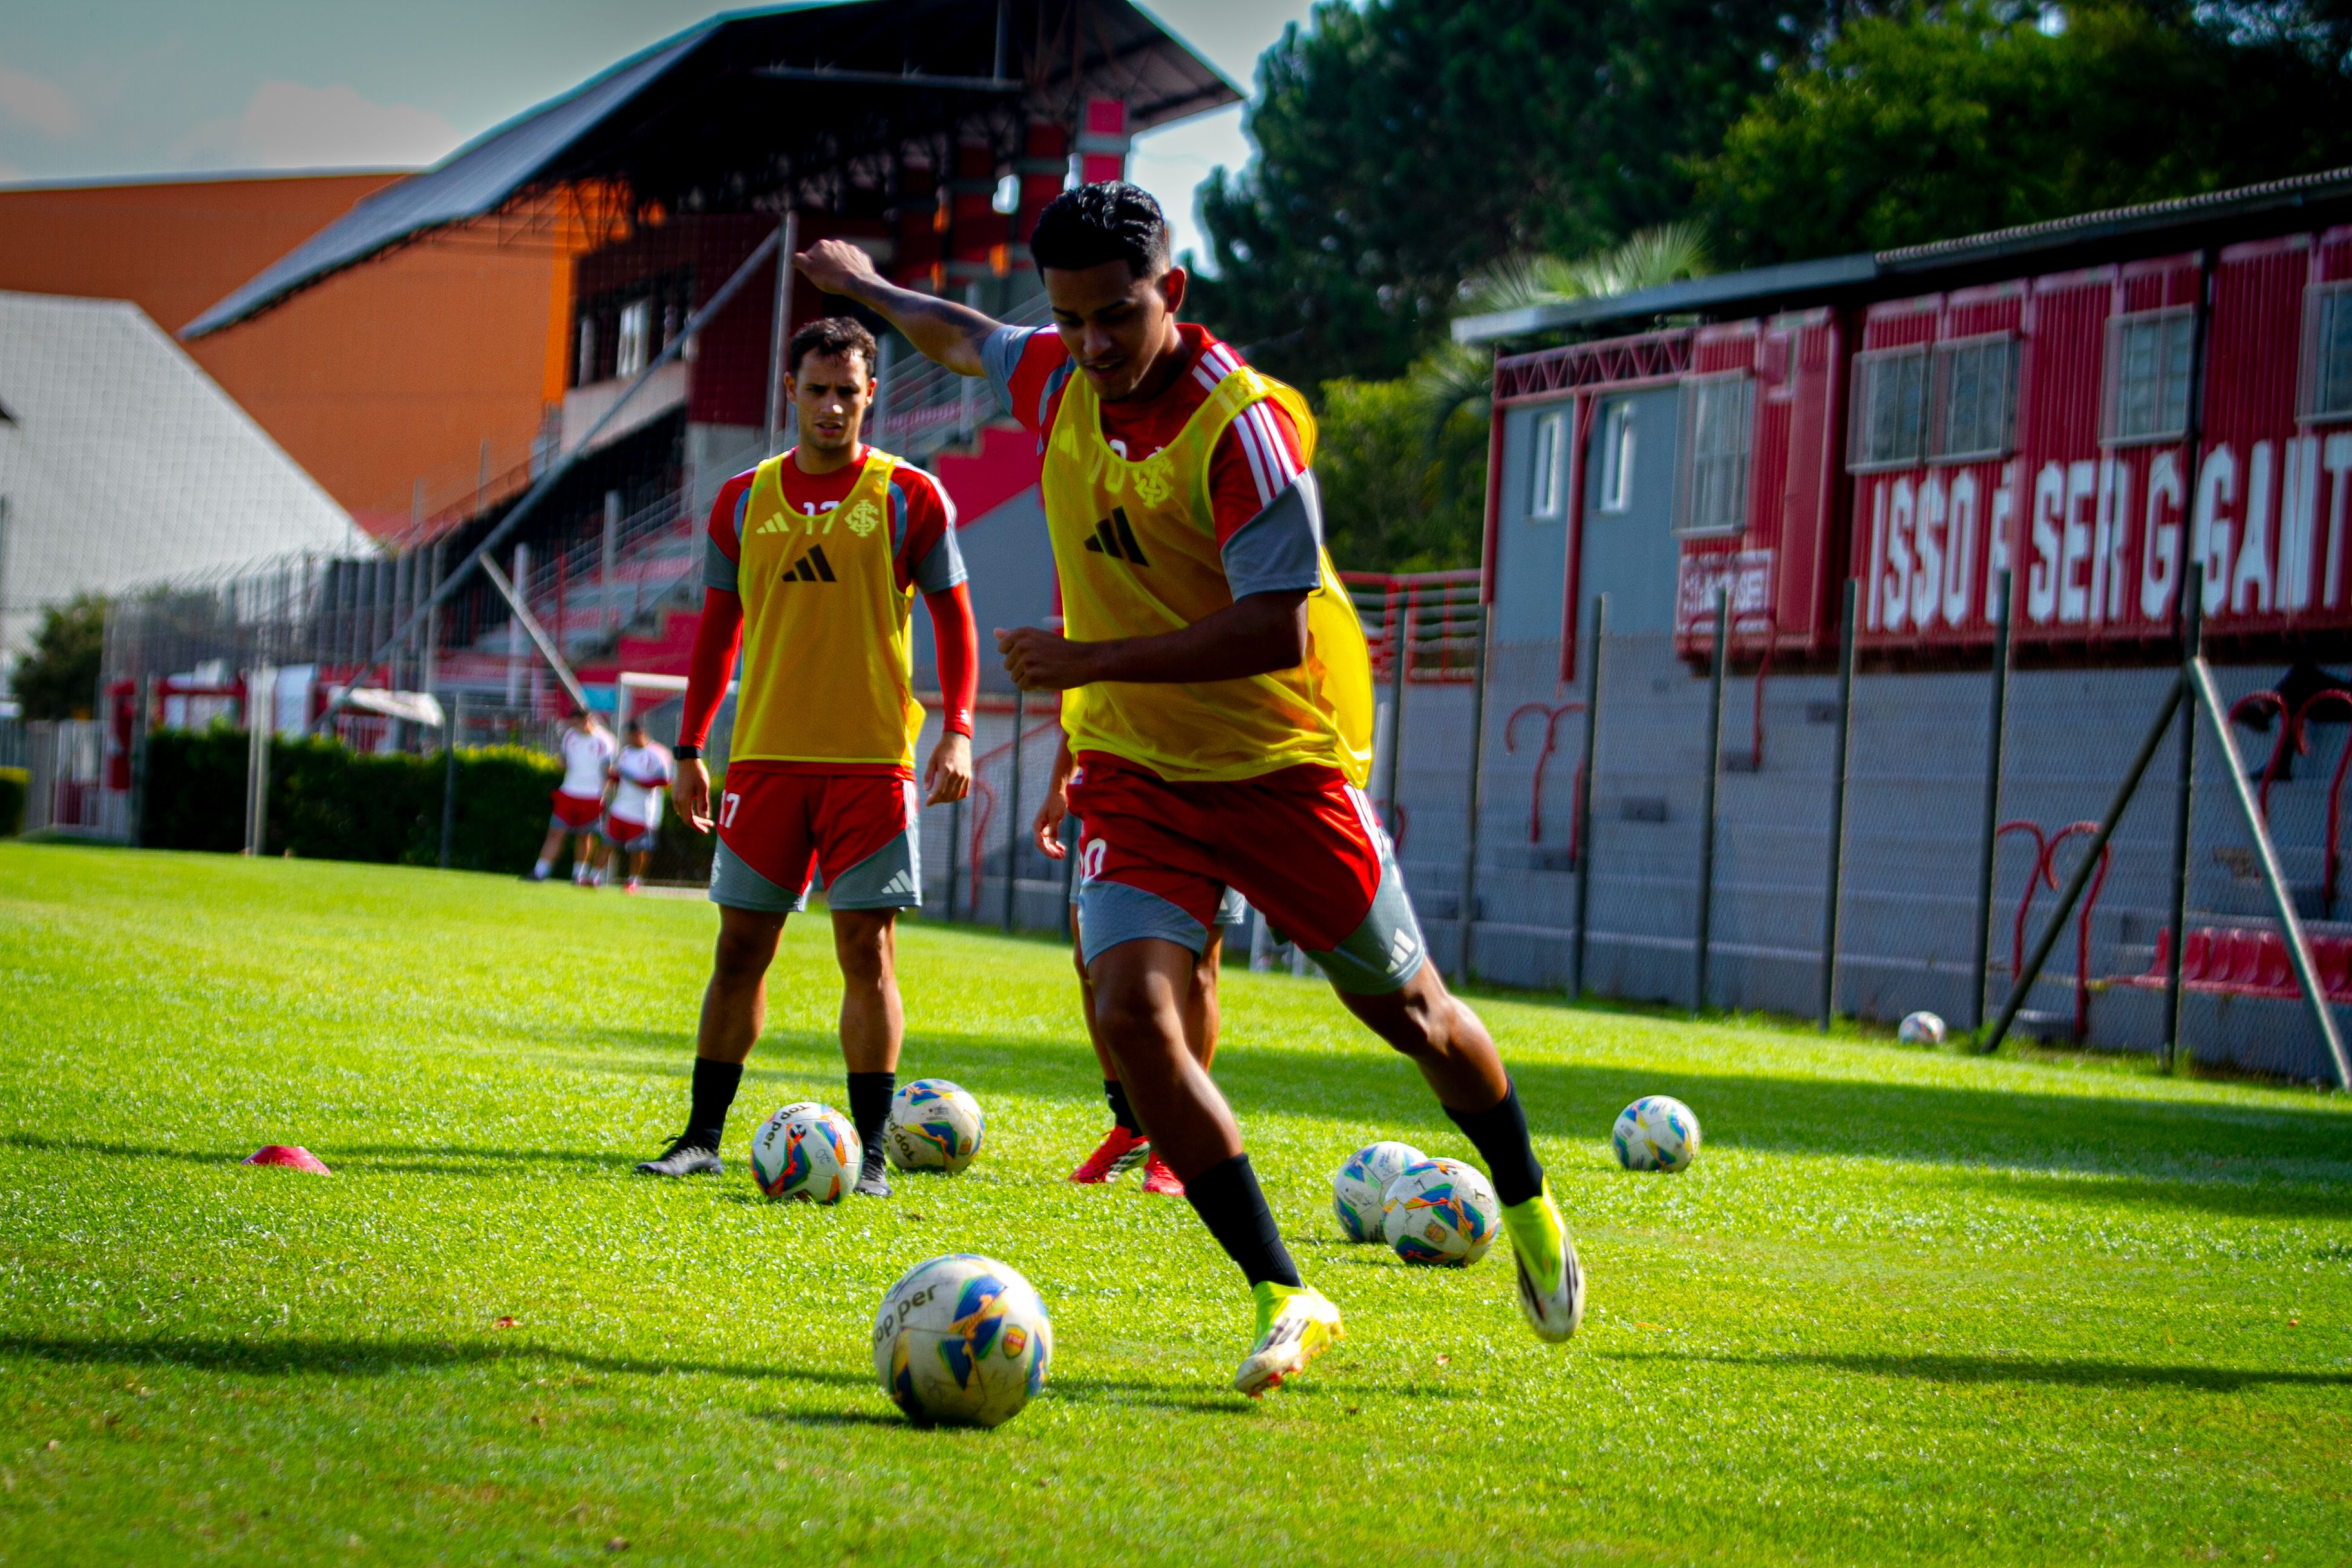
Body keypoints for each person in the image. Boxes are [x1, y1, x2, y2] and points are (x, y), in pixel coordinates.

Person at [797, 182, 1583, 1394]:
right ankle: (1285, 1290)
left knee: (1412, 1015)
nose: (1094, 346)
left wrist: (1088, 660)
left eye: (1116, 316)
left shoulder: (1243, 429)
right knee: (1131, 1023)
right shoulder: (1059, 373)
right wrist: (860, 288)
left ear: (1173, 292)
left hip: (1278, 769)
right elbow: (959, 334)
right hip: (1133, 774)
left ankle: (1530, 1211)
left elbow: (1272, 626)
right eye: (1070, 321)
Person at [633, 316, 978, 1197]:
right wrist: (688, 747)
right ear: (790, 392)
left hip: (871, 762)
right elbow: (717, 632)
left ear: (872, 395)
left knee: (868, 953)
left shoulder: (912, 496)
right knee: (740, 947)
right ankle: (702, 1136)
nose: (832, 407)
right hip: (764, 762)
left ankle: (867, 1154)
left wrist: (960, 728)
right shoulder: (742, 499)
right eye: (817, 390)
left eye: (848, 392)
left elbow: (956, 618)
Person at [1035, 731, 1240, 1197]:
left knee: (1199, 968)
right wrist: (1058, 785)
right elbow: (1078, 694)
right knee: (1091, 959)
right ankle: (1130, 1125)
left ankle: (1181, 1141)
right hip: (1113, 792)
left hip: (1208, 785)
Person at [535, 708, 616, 885]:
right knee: (556, 832)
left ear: (586, 720)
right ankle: (540, 872)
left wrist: (604, 795)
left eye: (576, 723)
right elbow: (563, 761)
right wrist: (560, 764)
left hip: (592, 796)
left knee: (584, 835)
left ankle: (578, 875)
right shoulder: (570, 735)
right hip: (568, 792)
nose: (573, 727)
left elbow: (608, 772)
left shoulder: (605, 740)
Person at [603, 719, 675, 895]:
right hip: (620, 807)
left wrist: (635, 780)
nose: (628, 740)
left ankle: (634, 881)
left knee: (639, 849)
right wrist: (612, 776)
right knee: (607, 843)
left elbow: (664, 781)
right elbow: (619, 777)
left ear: (640, 733)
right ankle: (595, 877)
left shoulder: (658, 753)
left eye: (630, 735)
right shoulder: (626, 752)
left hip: (644, 812)